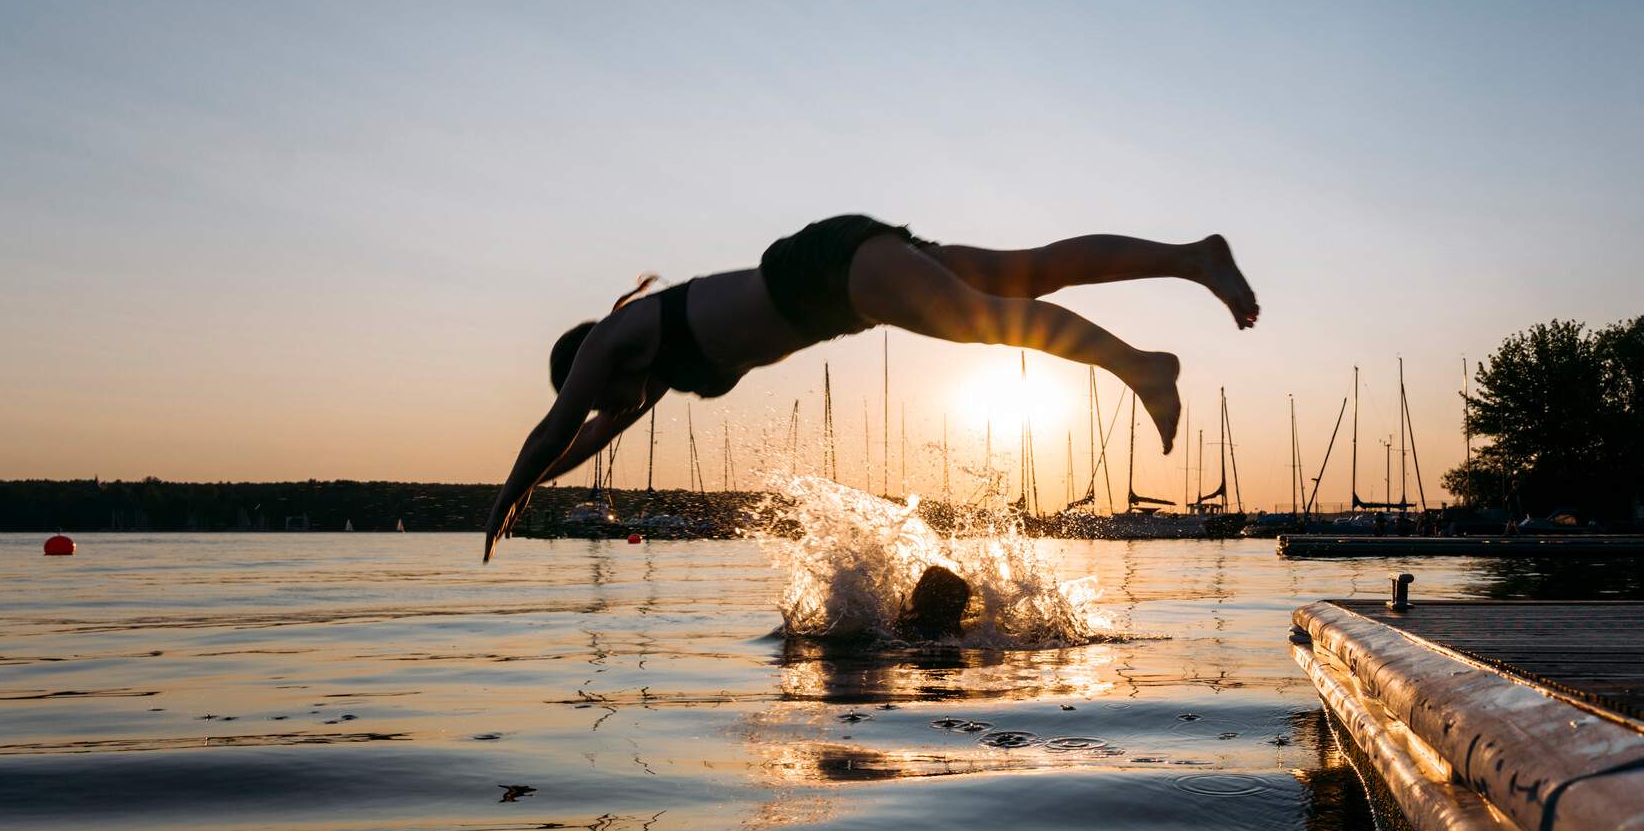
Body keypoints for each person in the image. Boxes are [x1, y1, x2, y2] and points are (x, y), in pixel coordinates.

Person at [485, 215, 1258, 559]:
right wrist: (537, 487)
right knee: (1030, 271)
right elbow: (583, 441)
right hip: (844, 287)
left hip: (823, 270)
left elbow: (558, 425)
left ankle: (1141, 366)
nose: (602, 402)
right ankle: (1193, 257)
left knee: (985, 319)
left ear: (588, 359)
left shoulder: (620, 338)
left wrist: (509, 492)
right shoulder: (650, 376)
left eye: (593, 387)